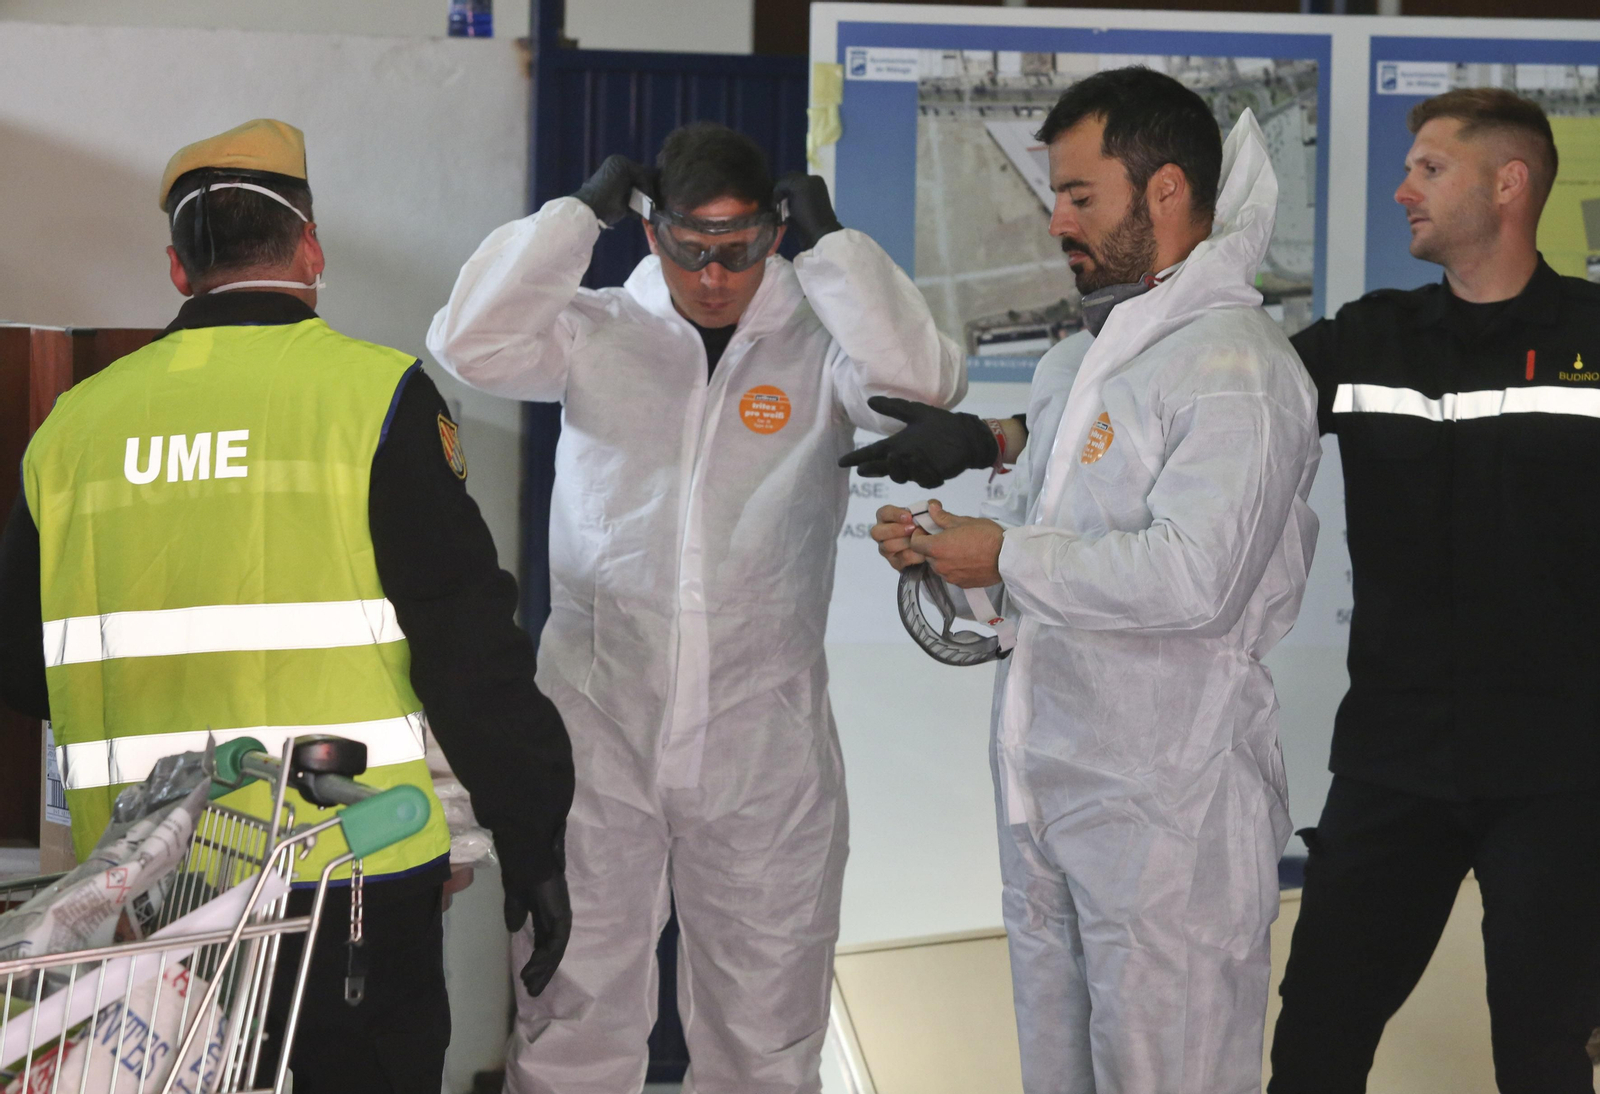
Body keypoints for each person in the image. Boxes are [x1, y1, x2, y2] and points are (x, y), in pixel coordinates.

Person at [0, 119, 575, 1094]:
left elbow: (20, 660)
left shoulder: (75, 427)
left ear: (180, 267)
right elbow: (468, 648)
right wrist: (531, 842)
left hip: (142, 888)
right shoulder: (373, 395)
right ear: (311, 247)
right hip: (349, 873)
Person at [427, 121, 965, 1094]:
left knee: (763, 1042)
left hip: (764, 752)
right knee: (569, 1021)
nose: (714, 275)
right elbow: (465, 340)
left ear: (774, 231)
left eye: (741, 248)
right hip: (595, 736)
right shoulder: (596, 331)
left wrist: (835, 246)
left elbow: (922, 384)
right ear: (649, 232)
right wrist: (574, 215)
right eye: (690, 248)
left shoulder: (819, 345)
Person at [864, 68, 1321, 1093]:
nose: (1057, 221)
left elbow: (1191, 578)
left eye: (1080, 195)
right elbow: (1033, 575)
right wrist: (948, 555)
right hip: (1047, 793)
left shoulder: (1235, 366)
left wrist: (1004, 553)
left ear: (1163, 191)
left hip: (1174, 814)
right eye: (1056, 195)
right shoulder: (1075, 367)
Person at [1263, 89, 1600, 1094]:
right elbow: (1208, 412)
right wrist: (998, 437)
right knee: (1313, 1042)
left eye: (1427, 168)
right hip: (1392, 762)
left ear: (1508, 183)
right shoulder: (1369, 337)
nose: (1402, 189)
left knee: (1544, 1057)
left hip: (1562, 776)